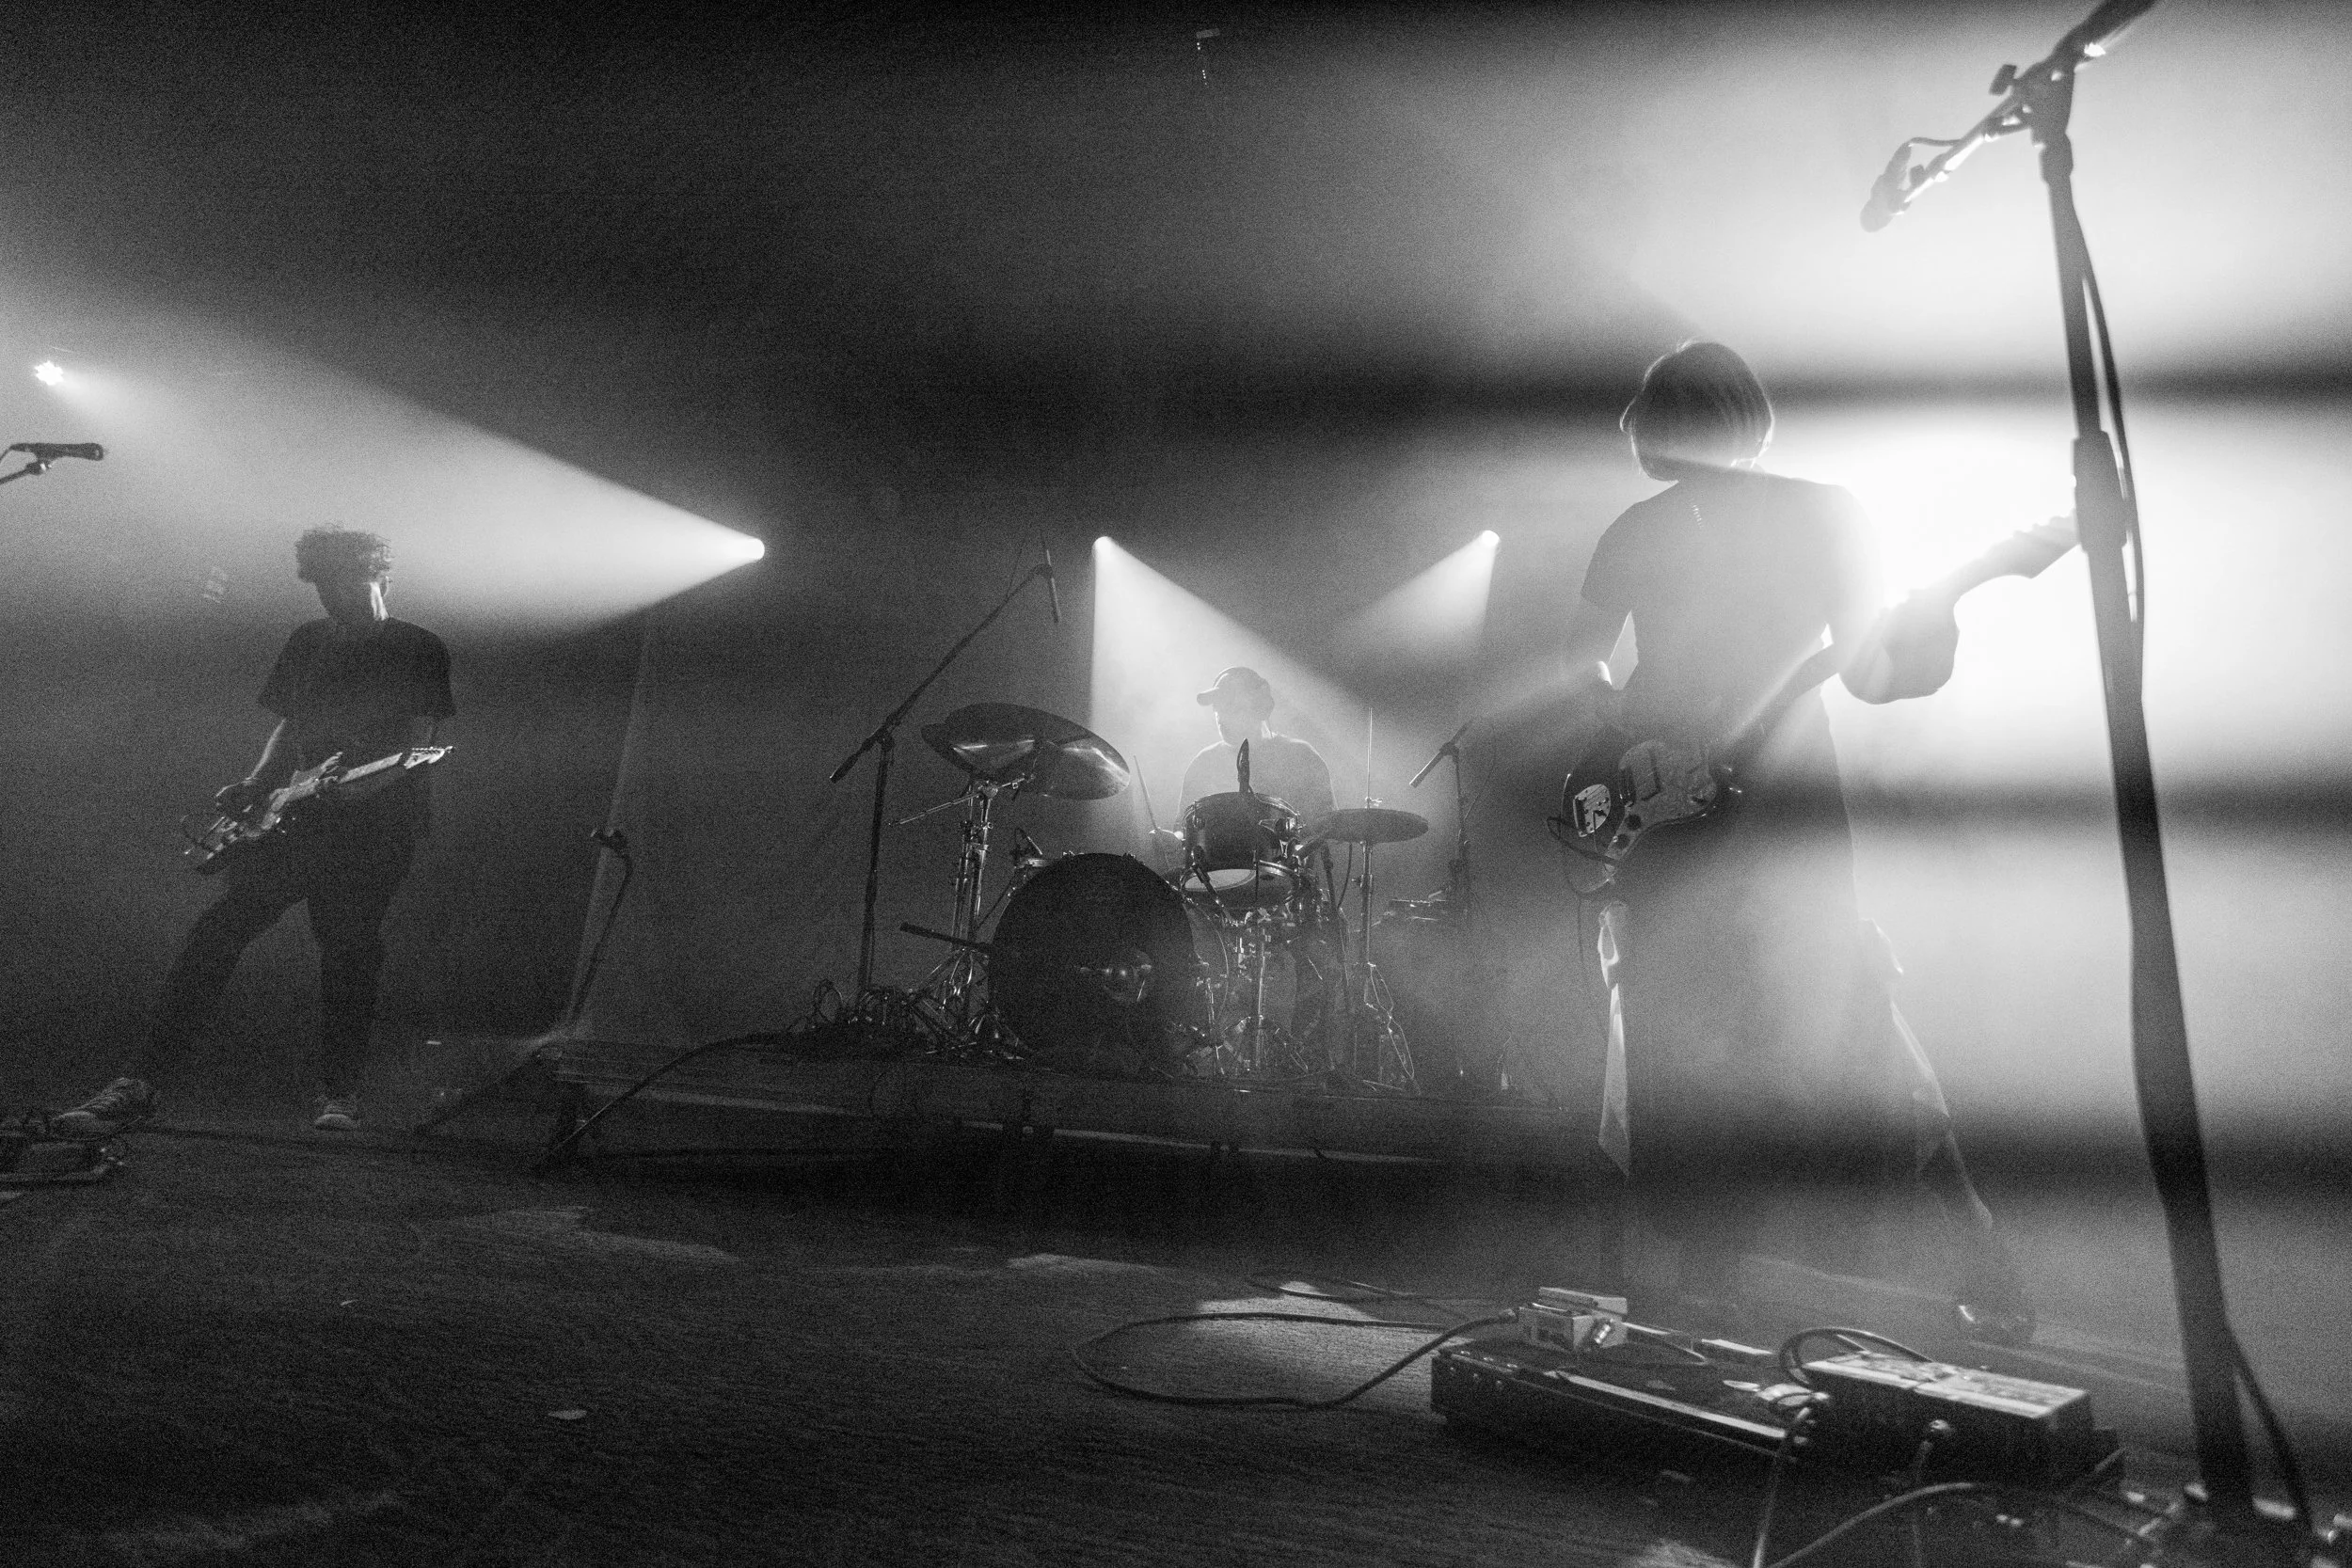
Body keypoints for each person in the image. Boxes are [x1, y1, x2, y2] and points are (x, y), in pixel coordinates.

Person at [1559, 341, 2033, 1344]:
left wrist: (1937, 612)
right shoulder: (1648, 527)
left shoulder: (1813, 512)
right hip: (1682, 809)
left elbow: (1868, 670)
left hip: (1779, 804)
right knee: (1689, 1031)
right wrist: (1632, 740)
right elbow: (1580, 665)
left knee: (1841, 1019)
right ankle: (1704, 1279)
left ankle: (1977, 1255)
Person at [53, 528, 454, 1137]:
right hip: (299, 818)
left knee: (348, 951)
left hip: (376, 830)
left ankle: (340, 1093)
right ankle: (138, 1083)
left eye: (341, 585)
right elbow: (290, 726)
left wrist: (357, 790)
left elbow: (416, 746)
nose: (330, 599)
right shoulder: (309, 640)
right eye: (321, 588)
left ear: (378, 575)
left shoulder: (418, 648)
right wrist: (256, 782)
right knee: (215, 933)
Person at [1178, 666, 1335, 825]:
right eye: (1217, 708)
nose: (1220, 718)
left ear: (1260, 707)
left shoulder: (1301, 757)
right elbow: (1182, 828)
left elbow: (1326, 828)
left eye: (1231, 707)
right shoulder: (1204, 763)